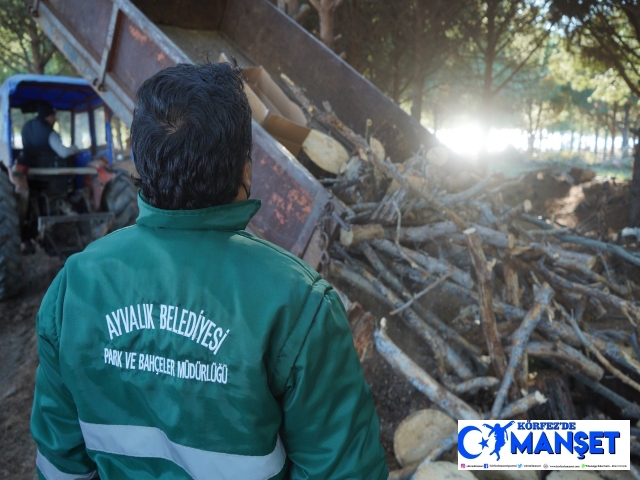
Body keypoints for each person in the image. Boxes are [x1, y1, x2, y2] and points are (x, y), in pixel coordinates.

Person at [31, 62, 389, 479]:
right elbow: (344, 471)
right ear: (246, 170)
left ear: (141, 168)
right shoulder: (300, 303)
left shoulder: (73, 287)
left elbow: (60, 467)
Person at [21, 102, 78, 168]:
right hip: (47, 172)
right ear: (48, 116)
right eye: (54, 116)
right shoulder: (50, 133)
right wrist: (75, 149)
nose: (55, 119)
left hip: (27, 170)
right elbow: (64, 153)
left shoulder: (26, 126)